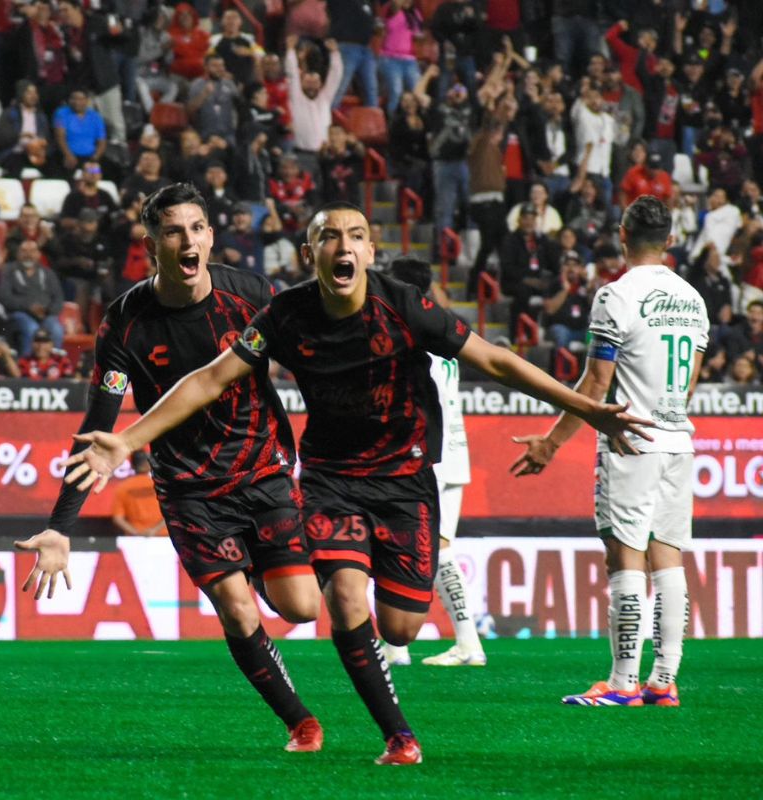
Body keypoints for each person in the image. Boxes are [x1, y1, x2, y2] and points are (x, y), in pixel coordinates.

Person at [59, 200, 651, 763]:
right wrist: (129, 440)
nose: (344, 247)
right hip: (328, 478)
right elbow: (211, 379)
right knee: (342, 597)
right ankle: (397, 735)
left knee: (400, 626)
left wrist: (585, 409)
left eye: (356, 236)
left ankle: (359, 658)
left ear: (370, 252)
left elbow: (494, 360)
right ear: (309, 251)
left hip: (405, 477)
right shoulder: (285, 314)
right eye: (330, 236)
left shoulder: (405, 306)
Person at [16, 183, 325, 755]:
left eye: (196, 228)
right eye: (173, 231)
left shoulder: (254, 294)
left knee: (302, 609)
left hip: (262, 469)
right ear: (151, 243)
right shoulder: (125, 322)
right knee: (235, 608)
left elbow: (311, 363)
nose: (188, 240)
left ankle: (256, 562)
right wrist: (61, 525)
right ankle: (301, 723)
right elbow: (99, 433)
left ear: (210, 236)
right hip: (187, 488)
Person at [511, 195, 709, 708]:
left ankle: (622, 685)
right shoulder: (694, 299)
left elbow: (595, 384)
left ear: (622, 235)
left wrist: (552, 444)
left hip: (631, 439)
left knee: (624, 557)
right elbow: (687, 385)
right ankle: (663, 681)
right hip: (677, 439)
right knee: (668, 559)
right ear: (669, 240)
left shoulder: (614, 296)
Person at [383, 257, 486, 668]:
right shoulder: (444, 331)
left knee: (395, 545)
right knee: (440, 551)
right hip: (454, 455)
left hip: (424, 455)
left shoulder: (406, 330)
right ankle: (467, 642)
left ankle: (398, 647)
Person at [110, 450, 165, 536]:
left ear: (132, 465)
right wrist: (154, 530)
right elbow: (171, 512)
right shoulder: (160, 484)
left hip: (135, 540)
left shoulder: (123, 487)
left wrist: (137, 532)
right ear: (149, 464)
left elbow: (118, 519)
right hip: (162, 537)